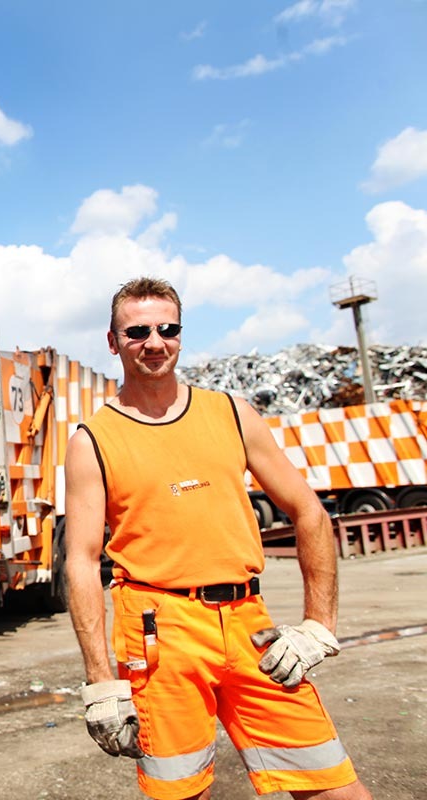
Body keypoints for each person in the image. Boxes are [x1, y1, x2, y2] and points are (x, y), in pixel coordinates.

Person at [64, 276, 372, 800]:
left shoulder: (232, 414)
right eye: (137, 331)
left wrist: (320, 626)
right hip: (160, 635)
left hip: (251, 627)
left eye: (167, 328)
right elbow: (81, 562)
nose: (154, 342)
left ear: (181, 335)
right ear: (114, 342)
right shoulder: (93, 440)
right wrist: (100, 681)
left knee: (332, 784)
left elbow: (309, 513)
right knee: (181, 792)